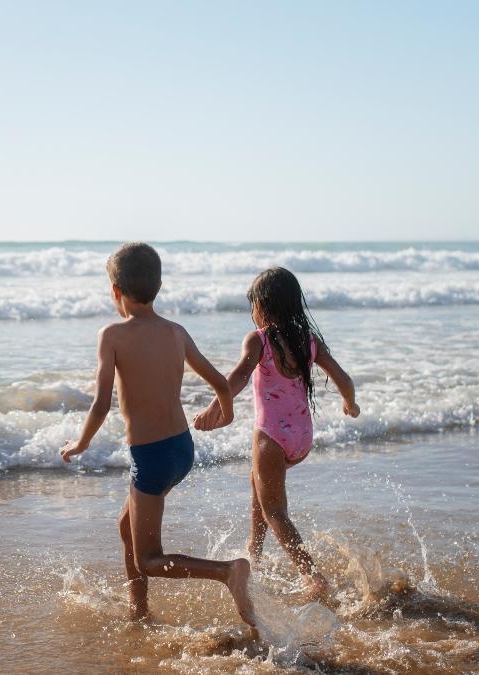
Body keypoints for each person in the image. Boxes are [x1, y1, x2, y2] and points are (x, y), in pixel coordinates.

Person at [61, 242, 256, 629]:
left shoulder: (112, 335)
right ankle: (139, 610)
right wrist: (227, 414)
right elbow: (219, 382)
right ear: (159, 285)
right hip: (182, 449)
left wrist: (80, 443)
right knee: (126, 526)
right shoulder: (176, 332)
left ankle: (227, 572)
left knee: (150, 559)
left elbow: (101, 404)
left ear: (115, 291)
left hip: (151, 458)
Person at [195, 267, 358, 601]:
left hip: (270, 437)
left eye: (253, 304)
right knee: (259, 486)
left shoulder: (260, 339)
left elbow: (239, 376)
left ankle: (313, 576)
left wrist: (215, 409)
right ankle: (253, 552)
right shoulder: (308, 342)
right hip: (301, 438)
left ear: (264, 306)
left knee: (275, 511)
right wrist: (350, 404)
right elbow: (344, 378)